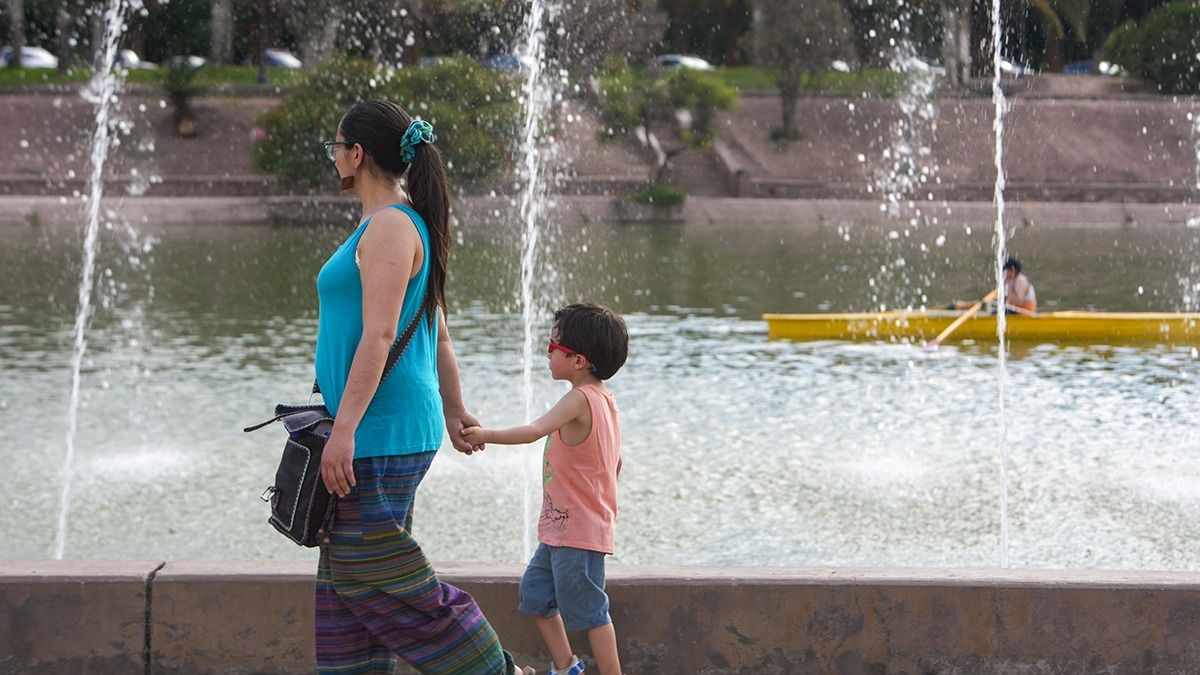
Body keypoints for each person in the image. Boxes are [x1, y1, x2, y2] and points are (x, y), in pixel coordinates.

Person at [313, 100, 534, 675]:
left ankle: (500, 671)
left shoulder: (390, 226)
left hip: (378, 432)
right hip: (380, 427)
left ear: (356, 154)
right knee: (346, 590)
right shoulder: (395, 223)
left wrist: (344, 431)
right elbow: (437, 335)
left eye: (336, 148)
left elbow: (383, 335)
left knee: (384, 579)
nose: (334, 158)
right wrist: (457, 409)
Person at [462, 304, 629, 675]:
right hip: (561, 528)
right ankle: (567, 665)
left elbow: (535, 430)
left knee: (590, 609)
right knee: (536, 595)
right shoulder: (606, 401)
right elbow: (616, 463)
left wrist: (486, 434)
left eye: (554, 346)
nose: (547, 351)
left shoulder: (580, 400)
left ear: (578, 360)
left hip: (578, 532)